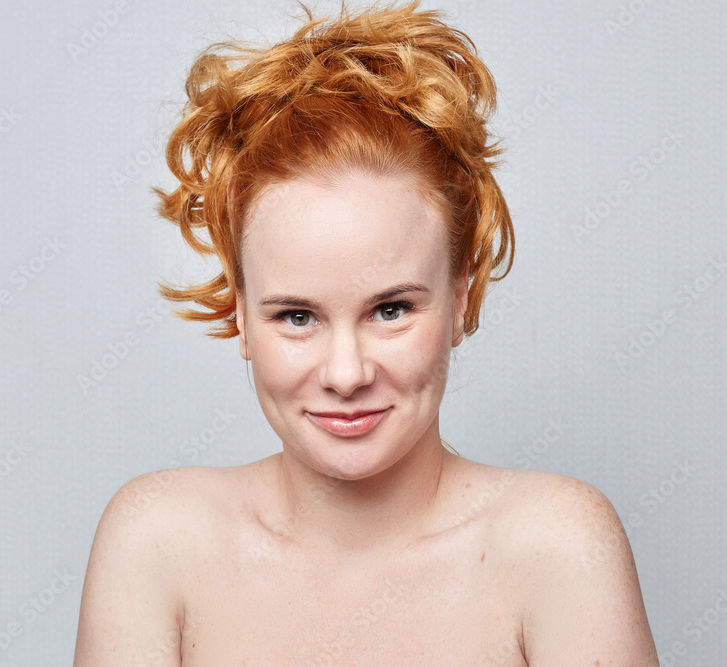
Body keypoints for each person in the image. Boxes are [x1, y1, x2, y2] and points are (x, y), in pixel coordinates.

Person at [74, 2, 659, 664]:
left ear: (462, 296)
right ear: (240, 315)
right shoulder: (155, 543)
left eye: (391, 310)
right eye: (297, 316)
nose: (346, 374)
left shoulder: (561, 549)